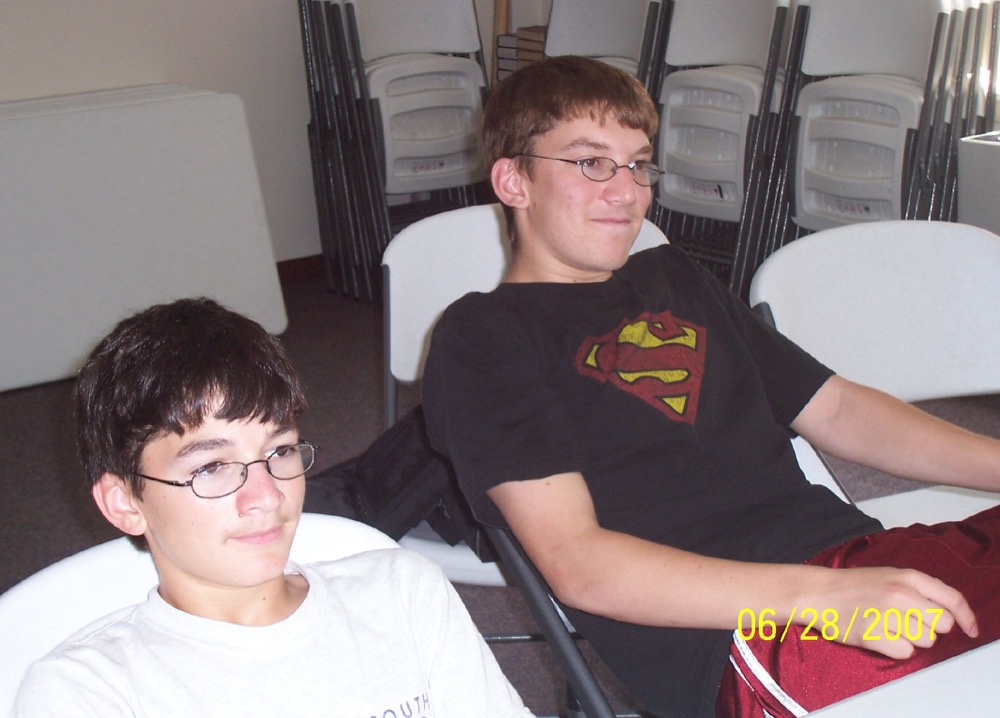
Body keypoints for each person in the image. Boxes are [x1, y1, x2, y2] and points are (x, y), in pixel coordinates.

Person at [421, 55, 1000, 718]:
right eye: (591, 163)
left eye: (638, 164)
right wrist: (821, 598)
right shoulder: (484, 337)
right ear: (513, 181)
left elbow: (837, 409)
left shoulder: (675, 276)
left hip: (856, 569)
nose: (627, 192)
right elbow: (579, 564)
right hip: (748, 634)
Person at [13, 297, 532, 718]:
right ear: (125, 502)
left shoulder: (402, 591)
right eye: (211, 467)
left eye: (279, 451)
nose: (267, 495)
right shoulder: (88, 692)